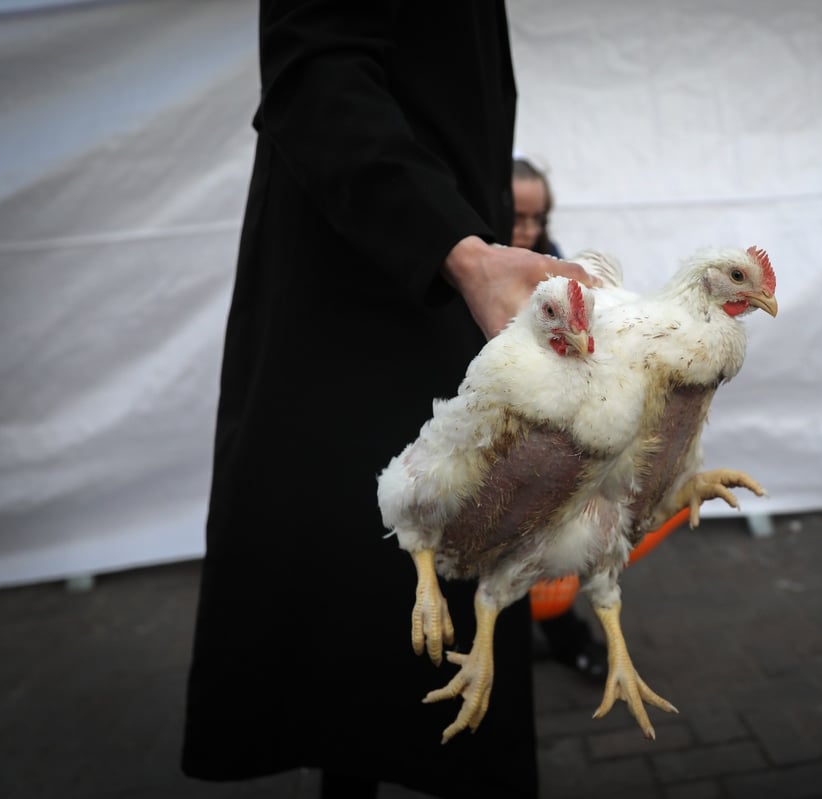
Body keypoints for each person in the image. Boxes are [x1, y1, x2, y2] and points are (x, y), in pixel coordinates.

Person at [180, 5, 597, 799]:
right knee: (366, 602)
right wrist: (462, 251)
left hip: (437, 290)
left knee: (416, 611)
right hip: (365, 310)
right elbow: (314, 72)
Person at [511, 156, 607, 682]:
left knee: (551, 539)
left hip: (549, 427)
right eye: (517, 217)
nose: (527, 230)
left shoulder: (553, 262)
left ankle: (568, 635)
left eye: (537, 218)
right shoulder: (467, 263)